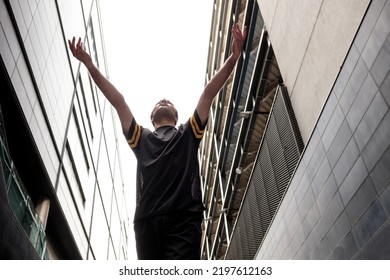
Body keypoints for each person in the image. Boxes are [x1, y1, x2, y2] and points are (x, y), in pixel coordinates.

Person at [68, 23, 247, 259]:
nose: (164, 100)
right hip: (146, 223)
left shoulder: (189, 133)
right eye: (159, 102)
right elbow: (119, 101)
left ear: (176, 116)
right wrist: (89, 65)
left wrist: (234, 58)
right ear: (152, 118)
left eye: (169, 101)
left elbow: (208, 93)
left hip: (183, 220)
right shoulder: (140, 138)